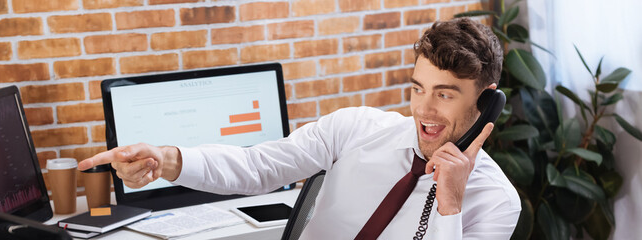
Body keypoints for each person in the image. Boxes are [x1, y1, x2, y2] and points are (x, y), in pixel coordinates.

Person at [78, 17, 521, 239]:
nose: (424, 109)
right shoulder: (355, 128)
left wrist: (450, 203)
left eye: (445, 94)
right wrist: (168, 159)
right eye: (418, 88)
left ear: (485, 102)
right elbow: (257, 166)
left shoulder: (497, 202)